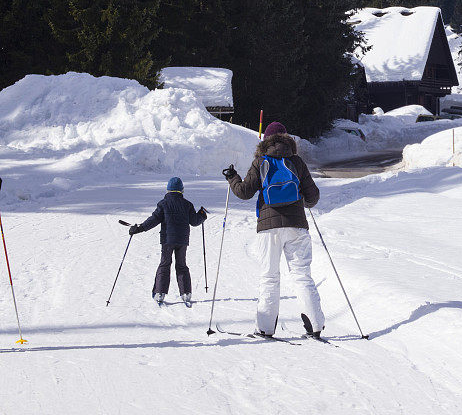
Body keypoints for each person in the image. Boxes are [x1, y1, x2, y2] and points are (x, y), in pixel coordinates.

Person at [222, 121, 323, 338]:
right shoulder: (296, 162)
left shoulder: (261, 162)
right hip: (297, 227)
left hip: (268, 229)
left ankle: (265, 328)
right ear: (286, 138)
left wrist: (232, 178)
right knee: (302, 275)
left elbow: (244, 192)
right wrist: (301, 199)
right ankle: (315, 326)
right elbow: (313, 197)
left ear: (265, 139)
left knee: (269, 277)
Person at [129, 177, 207, 305]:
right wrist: (202, 215)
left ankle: (160, 293)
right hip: (182, 240)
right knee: (181, 265)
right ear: (182, 190)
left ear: (168, 189)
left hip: (167, 240)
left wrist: (140, 228)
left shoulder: (163, 204)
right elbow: (194, 221)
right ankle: (186, 293)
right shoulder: (187, 204)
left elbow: (153, 220)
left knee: (165, 264)